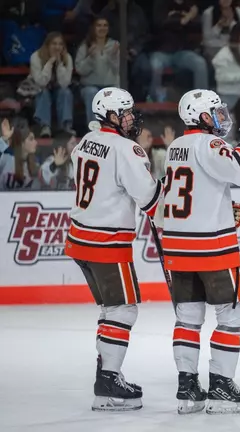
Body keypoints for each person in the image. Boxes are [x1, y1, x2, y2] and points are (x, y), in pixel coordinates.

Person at [160, 89, 240, 414]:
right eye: (214, 112)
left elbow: (195, 187)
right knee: (232, 315)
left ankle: (187, 389)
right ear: (200, 117)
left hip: (178, 245)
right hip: (212, 246)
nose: (221, 117)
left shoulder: (176, 147)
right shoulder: (208, 143)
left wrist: (223, 207)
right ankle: (221, 388)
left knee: (188, 317)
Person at [64, 87, 163, 411]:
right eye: (126, 112)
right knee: (123, 309)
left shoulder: (83, 143)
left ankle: (106, 371)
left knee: (111, 310)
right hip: (106, 242)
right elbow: (149, 198)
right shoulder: (126, 149)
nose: (132, 117)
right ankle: (107, 383)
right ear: (110, 116)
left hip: (80, 239)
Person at [76, 17, 120, 124]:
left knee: (112, 94)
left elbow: (118, 69)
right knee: (92, 93)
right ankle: (95, 129)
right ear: (93, 28)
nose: (102, 28)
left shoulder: (114, 45)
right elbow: (80, 70)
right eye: (99, 25)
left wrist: (113, 57)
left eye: (105, 25)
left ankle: (112, 130)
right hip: (89, 86)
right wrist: (90, 58)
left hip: (110, 85)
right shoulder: (85, 46)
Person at [29, 32, 74, 137]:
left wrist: (59, 64)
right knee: (43, 92)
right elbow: (41, 82)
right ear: (47, 45)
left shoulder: (67, 58)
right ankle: (45, 127)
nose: (57, 47)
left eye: (60, 44)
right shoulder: (36, 57)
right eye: (54, 44)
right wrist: (49, 63)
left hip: (59, 89)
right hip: (40, 89)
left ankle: (65, 126)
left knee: (66, 92)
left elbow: (64, 83)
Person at [0, 119, 45, 190]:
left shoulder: (36, 163)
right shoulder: (7, 157)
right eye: (31, 139)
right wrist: (4, 139)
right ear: (21, 143)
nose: (35, 142)